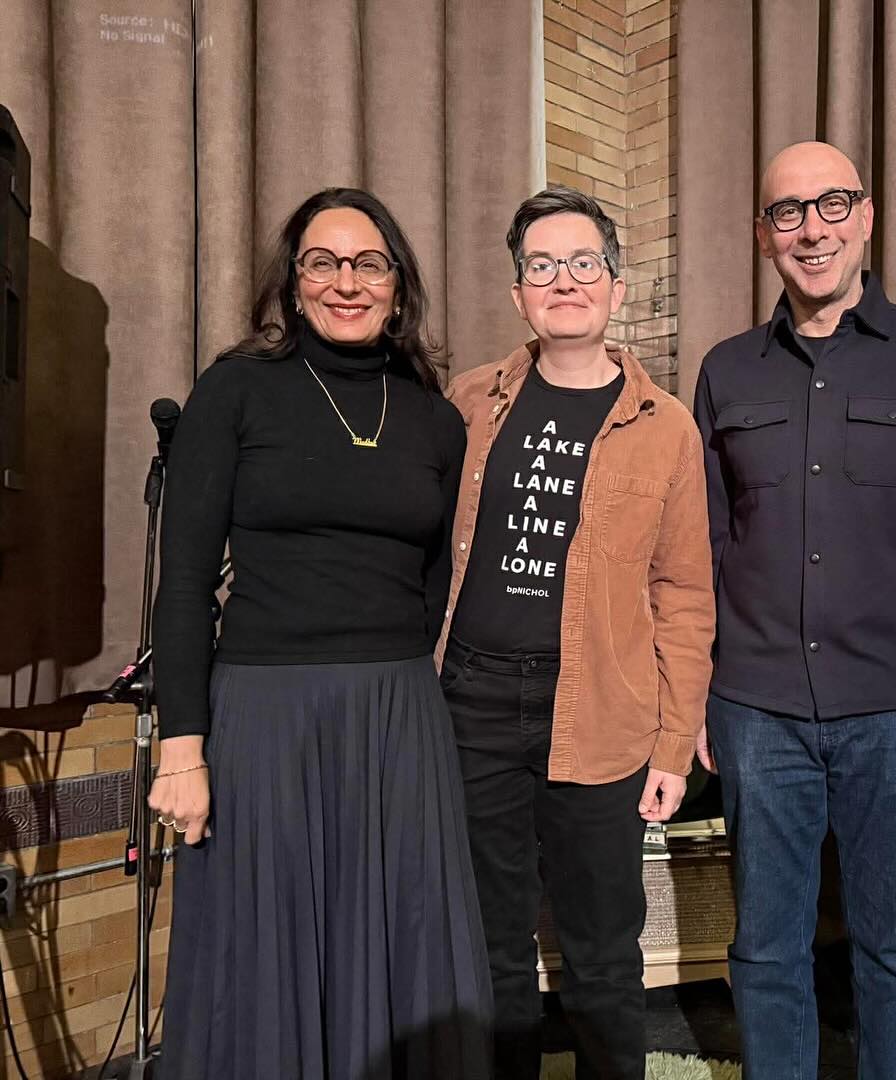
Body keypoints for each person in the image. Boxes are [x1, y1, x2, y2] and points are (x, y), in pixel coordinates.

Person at [149, 188, 491, 1078]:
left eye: (368, 263)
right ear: (293, 283)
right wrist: (182, 750)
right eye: (323, 262)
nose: (348, 282)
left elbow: (433, 578)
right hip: (265, 714)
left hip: (397, 713)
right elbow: (183, 583)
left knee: (398, 939)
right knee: (265, 953)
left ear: (398, 285)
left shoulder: (433, 417)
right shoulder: (234, 392)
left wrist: (395, 672)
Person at [693, 140, 896, 1080]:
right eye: (788, 211)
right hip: (755, 705)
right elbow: (704, 545)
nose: (810, 228)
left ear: (864, 217)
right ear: (764, 235)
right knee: (766, 950)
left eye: (831, 205)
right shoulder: (725, 369)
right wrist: (697, 697)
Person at [436, 186, 714, 1080]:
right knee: (488, 948)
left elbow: (685, 596)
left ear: (616, 287)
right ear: (518, 293)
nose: (564, 281)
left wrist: (674, 745)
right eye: (541, 267)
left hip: (601, 713)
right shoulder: (468, 401)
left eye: (583, 263)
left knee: (602, 953)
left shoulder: (666, 428)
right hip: (470, 703)